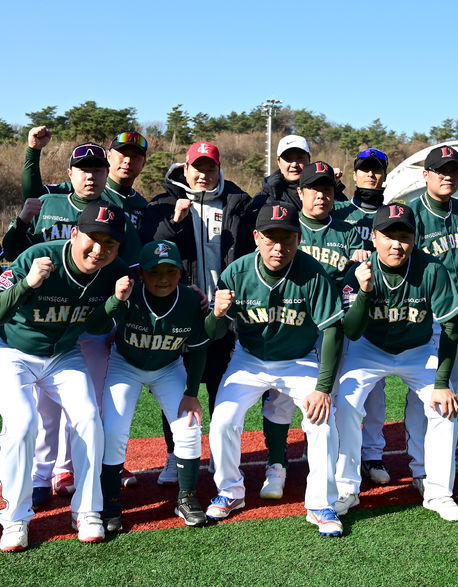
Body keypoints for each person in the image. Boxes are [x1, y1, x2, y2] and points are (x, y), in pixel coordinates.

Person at [0, 201, 135, 552]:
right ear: (74, 233)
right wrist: (27, 284)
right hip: (11, 349)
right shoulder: (39, 256)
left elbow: (93, 326)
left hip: (63, 353)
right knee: (21, 423)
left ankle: (87, 509)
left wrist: (115, 302)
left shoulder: (115, 271)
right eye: (92, 239)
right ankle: (16, 516)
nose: (99, 250)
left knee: (88, 418)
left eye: (109, 244)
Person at [4, 142, 141, 504]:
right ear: (70, 174)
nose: (91, 175)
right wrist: (21, 219)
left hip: (90, 321)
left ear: (106, 173)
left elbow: (129, 263)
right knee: (45, 409)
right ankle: (41, 475)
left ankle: (73, 470)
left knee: (87, 404)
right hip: (48, 322)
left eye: (98, 169)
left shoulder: (113, 213)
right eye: (83, 169)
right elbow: (12, 249)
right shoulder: (49, 204)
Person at [204, 202, 345, 537]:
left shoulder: (312, 273)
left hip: (299, 360)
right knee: (223, 418)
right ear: (256, 237)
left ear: (298, 238)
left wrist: (323, 388)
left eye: (287, 238)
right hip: (249, 359)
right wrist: (216, 315)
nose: (278, 247)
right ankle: (230, 491)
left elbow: (332, 330)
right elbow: (212, 334)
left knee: (322, 421)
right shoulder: (236, 273)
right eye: (270, 238)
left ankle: (320, 503)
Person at [334, 203, 458, 521]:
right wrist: (364, 293)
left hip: (418, 350)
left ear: (415, 237)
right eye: (388, 236)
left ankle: (437, 491)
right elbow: (350, 329)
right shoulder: (361, 271)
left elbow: (451, 326)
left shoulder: (432, 269)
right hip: (369, 349)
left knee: (444, 407)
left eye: (404, 236)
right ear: (375, 238)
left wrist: (441, 383)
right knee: (347, 403)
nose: (396, 244)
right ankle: (346, 489)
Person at [140, 140, 258, 485]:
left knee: (223, 389)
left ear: (219, 169)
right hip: (184, 314)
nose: (203, 174)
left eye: (210, 168)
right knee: (178, 390)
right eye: (197, 168)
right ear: (185, 168)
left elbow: (251, 251)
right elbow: (151, 251)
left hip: (226, 315)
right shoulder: (162, 204)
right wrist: (174, 223)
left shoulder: (239, 203)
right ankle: (175, 455)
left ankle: (222, 457)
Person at [256, 161, 367, 500]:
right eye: (314, 189)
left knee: (328, 397)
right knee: (279, 398)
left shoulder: (348, 231)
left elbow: (352, 282)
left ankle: (322, 463)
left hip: (332, 325)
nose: (322, 195)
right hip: (292, 323)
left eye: (328, 189)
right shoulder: (284, 224)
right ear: (300, 192)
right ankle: (276, 464)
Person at [86, 240, 211, 530]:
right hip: (125, 365)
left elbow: (199, 348)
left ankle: (187, 497)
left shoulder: (191, 301)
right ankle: (111, 502)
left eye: (170, 270)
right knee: (114, 429)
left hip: (168, 367)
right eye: (155, 272)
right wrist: (116, 300)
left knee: (189, 426)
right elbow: (93, 326)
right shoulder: (130, 294)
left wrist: (192, 394)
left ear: (181, 272)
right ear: (141, 273)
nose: (163, 278)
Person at [405, 145, 458, 486]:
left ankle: (443, 455)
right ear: (425, 175)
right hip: (425, 310)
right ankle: (419, 465)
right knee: (423, 386)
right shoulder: (412, 213)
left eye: (453, 170)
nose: (447, 176)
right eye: (440, 170)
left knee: (447, 385)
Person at [331, 148, 392, 484]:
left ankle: (372, 454)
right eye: (365, 170)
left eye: (377, 170)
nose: (371, 175)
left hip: (376, 309)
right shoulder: (339, 211)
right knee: (336, 385)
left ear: (384, 174)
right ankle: (334, 450)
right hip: (334, 307)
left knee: (375, 388)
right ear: (354, 175)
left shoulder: (392, 213)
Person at [20, 126, 149, 228]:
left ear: (143, 163)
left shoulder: (144, 206)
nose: (128, 160)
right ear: (109, 156)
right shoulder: (86, 187)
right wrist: (34, 150)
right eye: (122, 154)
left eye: (135, 156)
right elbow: (33, 196)